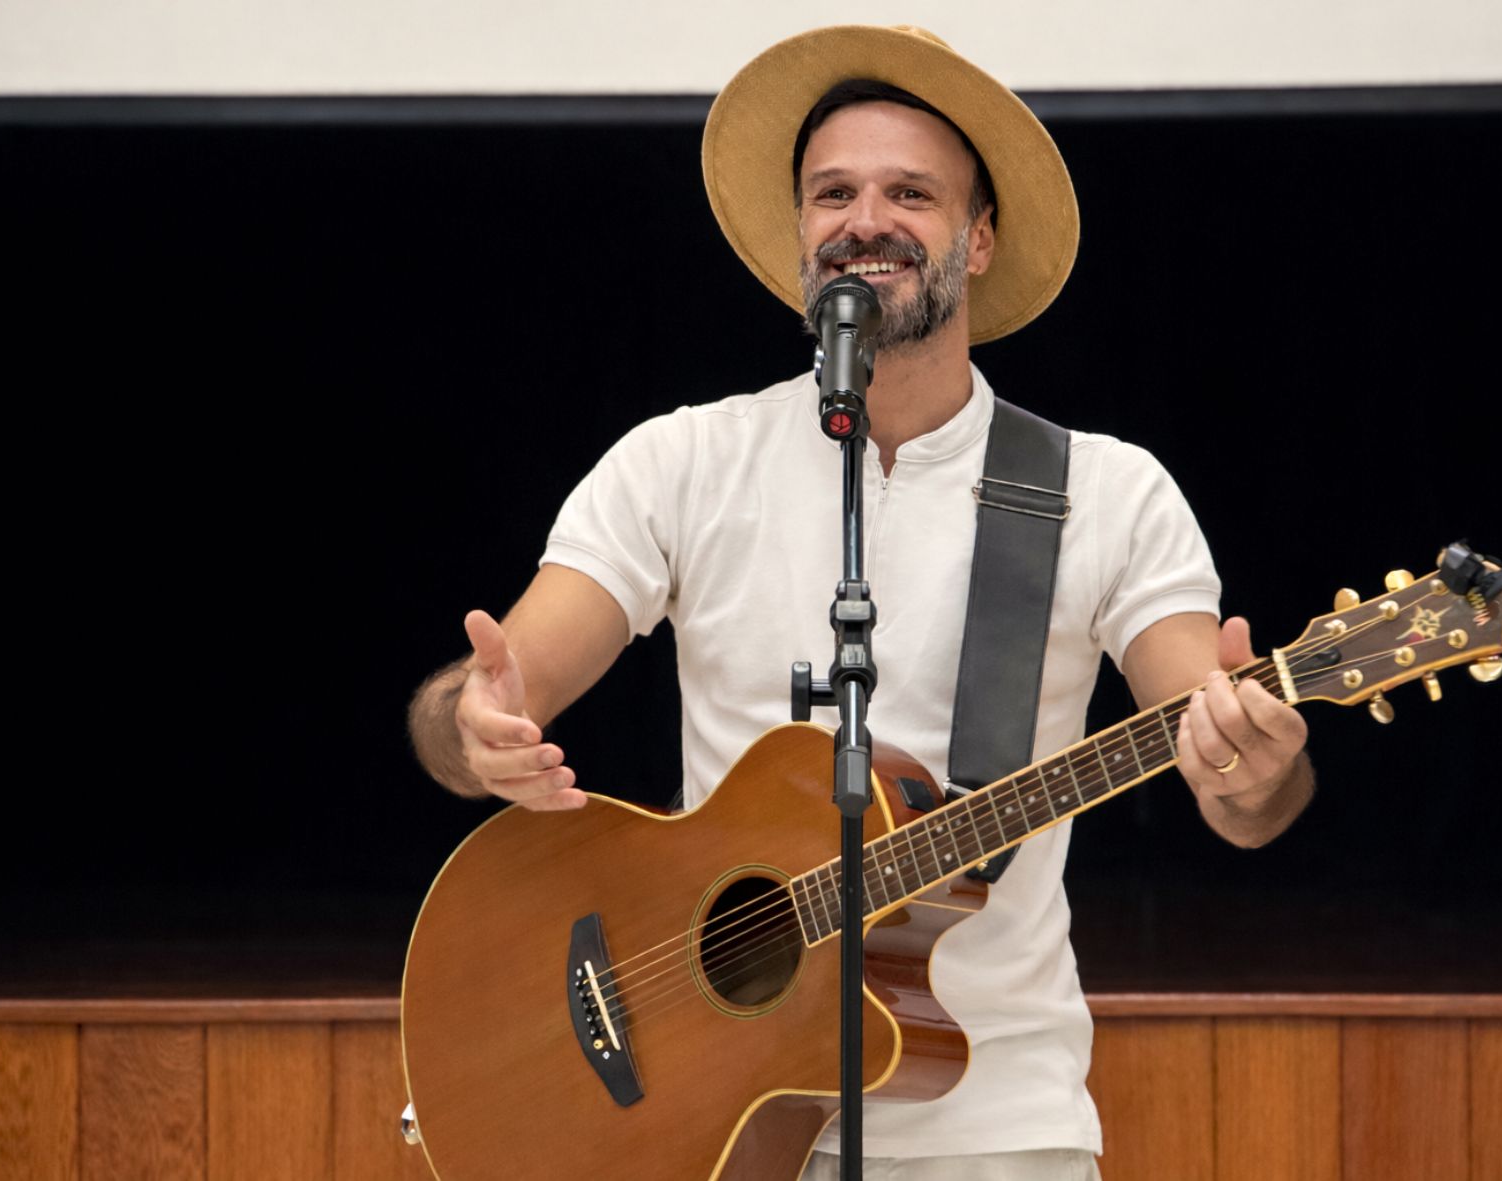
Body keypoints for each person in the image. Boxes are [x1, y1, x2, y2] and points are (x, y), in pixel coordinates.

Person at [408, 25, 1313, 1181]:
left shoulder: (1105, 491)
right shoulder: (682, 462)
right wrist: (473, 725)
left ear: (977, 238)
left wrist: (1249, 760)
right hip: (705, 1121)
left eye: (909, 193)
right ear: (801, 231)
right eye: (831, 192)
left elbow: (1230, 775)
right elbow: (487, 697)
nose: (863, 220)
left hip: (997, 1126)